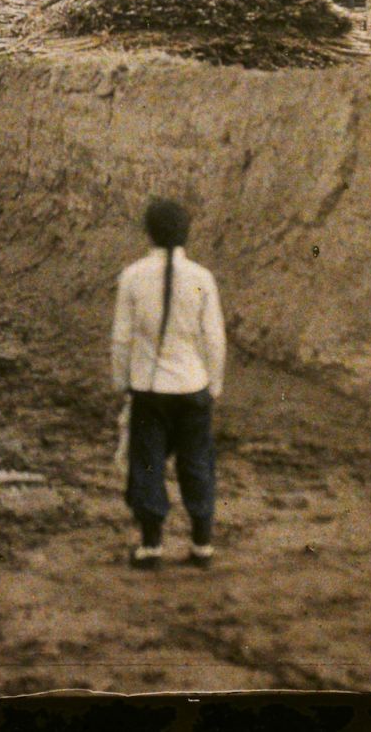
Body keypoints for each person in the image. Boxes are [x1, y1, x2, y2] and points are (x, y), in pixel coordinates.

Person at [111, 196, 227, 570]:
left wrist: (122, 383)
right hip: (193, 386)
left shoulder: (132, 276)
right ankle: (202, 544)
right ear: (187, 233)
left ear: (148, 232)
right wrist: (214, 384)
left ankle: (151, 546)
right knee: (197, 464)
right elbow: (214, 338)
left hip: (149, 388)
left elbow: (122, 339)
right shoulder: (202, 278)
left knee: (146, 465)